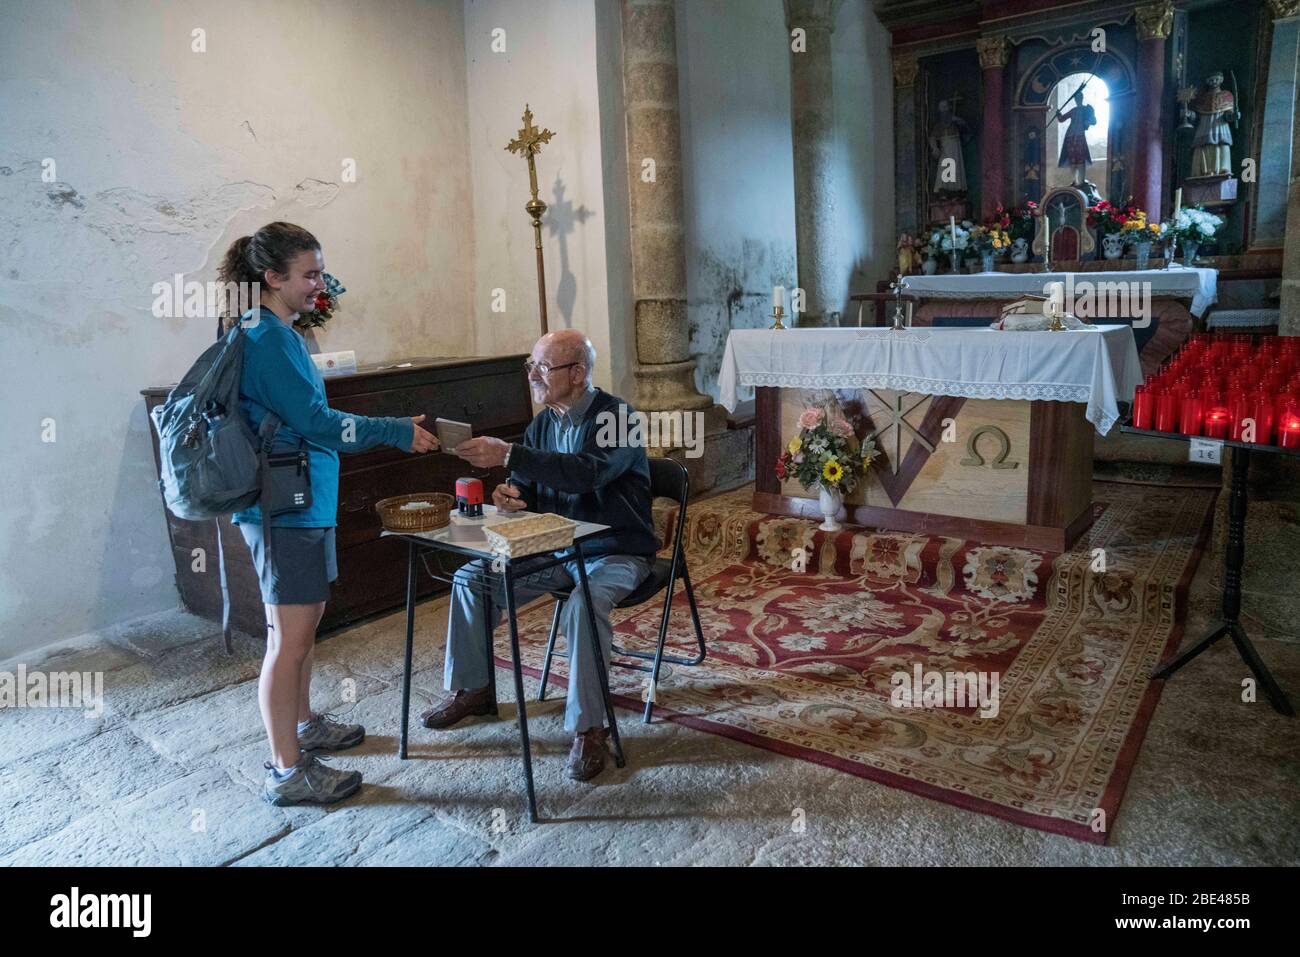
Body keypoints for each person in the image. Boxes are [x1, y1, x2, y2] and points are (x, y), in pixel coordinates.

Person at [218, 222, 439, 806]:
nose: (321, 284)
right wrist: (395, 430)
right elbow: (318, 424)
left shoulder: (273, 330)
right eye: (310, 274)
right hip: (281, 505)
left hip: (299, 498)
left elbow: (306, 417)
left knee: (304, 622)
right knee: (285, 638)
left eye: (320, 271)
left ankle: (304, 724)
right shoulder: (264, 339)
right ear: (272, 278)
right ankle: (286, 770)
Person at [425, 329, 657, 781]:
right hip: (555, 547)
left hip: (615, 549)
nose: (532, 375)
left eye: (542, 367)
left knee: (584, 604)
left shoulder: (618, 418)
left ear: (577, 373)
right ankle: (474, 690)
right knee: (472, 579)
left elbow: (587, 474)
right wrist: (511, 493)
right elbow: (531, 486)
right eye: (530, 365)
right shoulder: (544, 422)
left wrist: (510, 453)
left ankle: (589, 728)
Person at [1056, 89, 1096, 187]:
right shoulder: (1073, 110)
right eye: (1076, 98)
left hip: (1080, 135)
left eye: (1079, 98)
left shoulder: (1086, 109)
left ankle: (1081, 181)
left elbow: (1094, 121)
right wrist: (1058, 114)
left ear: (1082, 98)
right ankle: (1075, 181)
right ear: (1075, 100)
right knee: (1072, 159)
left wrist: (1087, 121)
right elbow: (1061, 119)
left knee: (1080, 158)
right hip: (1070, 135)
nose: (1078, 99)